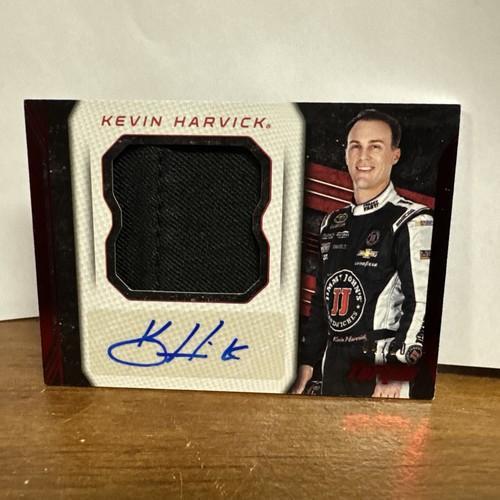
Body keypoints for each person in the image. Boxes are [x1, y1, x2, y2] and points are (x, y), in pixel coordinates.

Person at [291, 109, 433, 398]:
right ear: (345, 154)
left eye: (375, 147)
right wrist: (307, 362)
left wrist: (397, 371)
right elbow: (321, 301)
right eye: (355, 146)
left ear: (395, 155)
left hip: (380, 370)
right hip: (333, 366)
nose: (363, 156)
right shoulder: (333, 222)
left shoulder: (412, 220)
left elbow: (422, 303)